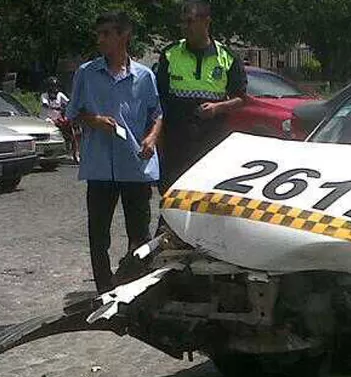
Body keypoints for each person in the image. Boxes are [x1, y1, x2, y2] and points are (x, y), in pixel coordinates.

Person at [66, 11, 163, 293]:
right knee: (98, 235)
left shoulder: (144, 76)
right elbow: (74, 113)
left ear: (124, 35)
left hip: (135, 166)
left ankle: (137, 287)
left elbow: (157, 113)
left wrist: (152, 138)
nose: (101, 40)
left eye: (107, 33)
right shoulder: (86, 73)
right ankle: (104, 290)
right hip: (99, 168)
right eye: (99, 34)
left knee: (140, 235)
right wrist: (93, 120)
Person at [156, 0, 247, 188]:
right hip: (177, 142)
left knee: (207, 197)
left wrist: (218, 107)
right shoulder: (170, 54)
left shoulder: (227, 57)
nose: (185, 27)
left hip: (211, 141)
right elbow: (158, 101)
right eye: (183, 22)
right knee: (172, 199)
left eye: (190, 21)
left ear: (206, 22)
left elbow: (241, 99)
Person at [41, 76, 79, 163]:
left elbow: (68, 102)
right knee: (50, 129)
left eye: (55, 86)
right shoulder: (44, 96)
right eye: (52, 86)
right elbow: (45, 104)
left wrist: (69, 106)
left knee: (72, 131)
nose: (54, 89)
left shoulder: (60, 95)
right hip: (48, 118)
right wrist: (55, 107)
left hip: (59, 118)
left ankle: (75, 153)